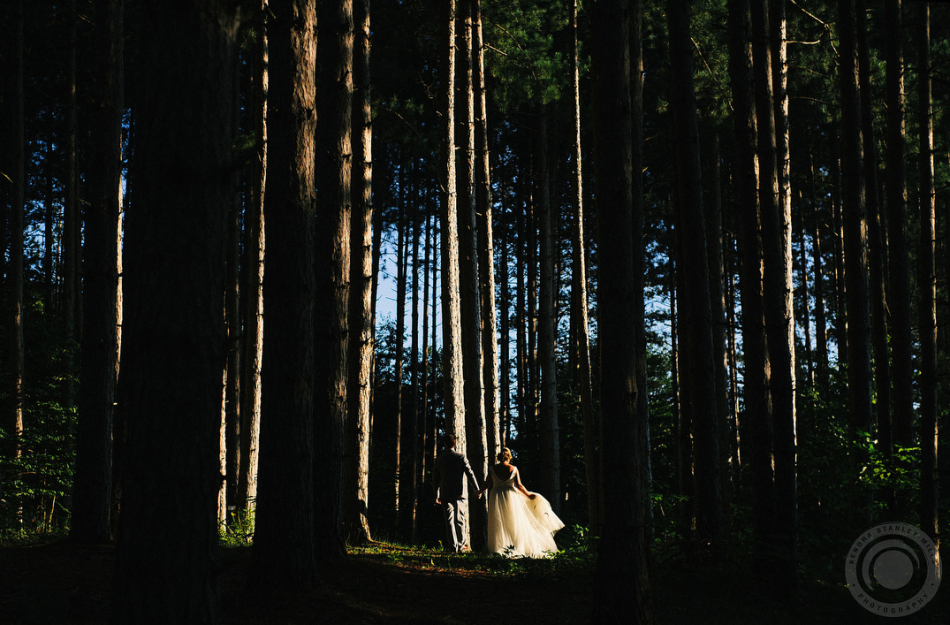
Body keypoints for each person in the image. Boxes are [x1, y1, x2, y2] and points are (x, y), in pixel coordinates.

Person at [476, 447, 564, 558]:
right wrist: (528, 495)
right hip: (510, 496)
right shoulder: (513, 468)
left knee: (498, 521)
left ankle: (500, 548)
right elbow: (519, 485)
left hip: (496, 496)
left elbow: (487, 484)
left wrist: (479, 491)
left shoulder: (492, 468)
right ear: (509, 457)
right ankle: (515, 546)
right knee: (513, 522)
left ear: (499, 457)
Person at [433, 434, 482, 553]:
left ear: (445, 444)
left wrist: (436, 494)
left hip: (445, 492)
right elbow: (470, 473)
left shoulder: (440, 459)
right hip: (459, 492)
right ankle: (461, 546)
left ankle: (453, 547)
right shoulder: (461, 457)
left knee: (449, 520)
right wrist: (476, 488)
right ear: (455, 444)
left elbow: (435, 478)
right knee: (459, 519)